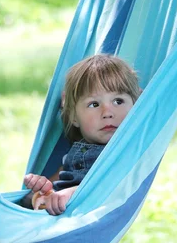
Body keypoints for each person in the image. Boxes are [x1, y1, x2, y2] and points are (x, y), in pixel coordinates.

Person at [23, 53, 140, 215]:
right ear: (74, 117)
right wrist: (40, 191)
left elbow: (114, 185)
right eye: (94, 104)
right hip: (53, 222)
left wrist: (72, 193)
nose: (107, 113)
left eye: (118, 101)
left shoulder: (130, 150)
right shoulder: (74, 154)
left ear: (137, 106)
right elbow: (36, 196)